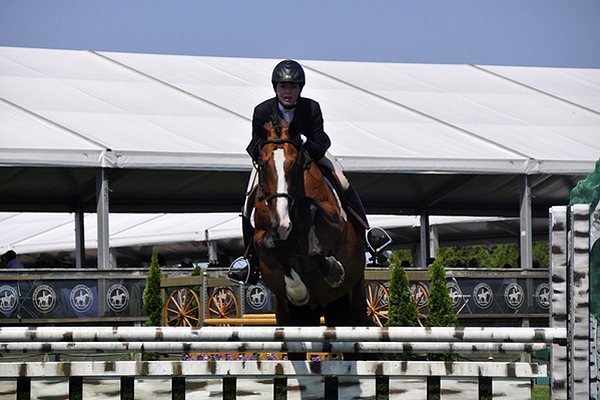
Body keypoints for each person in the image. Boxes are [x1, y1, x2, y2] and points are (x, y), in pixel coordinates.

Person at [228, 60, 390, 285]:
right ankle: (250, 262)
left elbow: (321, 143)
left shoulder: (311, 108)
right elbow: (253, 145)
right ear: (276, 88)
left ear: (300, 89)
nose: (288, 91)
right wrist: (267, 153)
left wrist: (301, 141)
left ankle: (368, 236)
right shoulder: (262, 111)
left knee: (342, 181)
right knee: (247, 203)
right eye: (284, 86)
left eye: (293, 86)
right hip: (274, 162)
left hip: (309, 156)